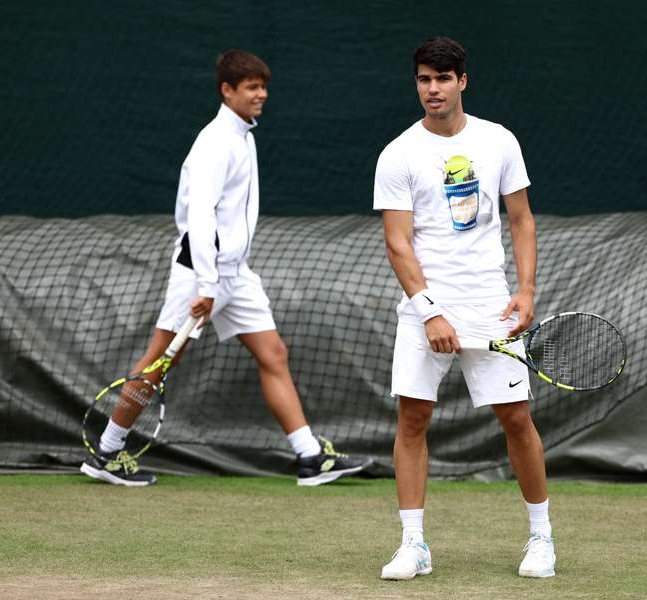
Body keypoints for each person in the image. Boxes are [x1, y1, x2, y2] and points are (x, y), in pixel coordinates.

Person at [81, 49, 370, 488]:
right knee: (158, 363)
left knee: (273, 354)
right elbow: (200, 216)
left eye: (263, 86)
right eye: (252, 87)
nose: (262, 95)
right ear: (227, 90)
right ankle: (107, 451)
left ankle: (310, 457)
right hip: (201, 273)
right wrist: (208, 282)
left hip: (236, 273)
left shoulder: (243, 136)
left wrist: (225, 277)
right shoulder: (215, 142)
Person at [373, 37, 556, 579]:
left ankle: (541, 539)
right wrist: (430, 311)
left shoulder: (499, 141)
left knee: (516, 418)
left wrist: (524, 291)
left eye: (443, 79)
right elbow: (397, 244)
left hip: (489, 305)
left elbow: (520, 219)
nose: (433, 89)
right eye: (424, 79)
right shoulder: (398, 153)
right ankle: (413, 545)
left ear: (462, 82)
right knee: (413, 419)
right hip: (424, 306)